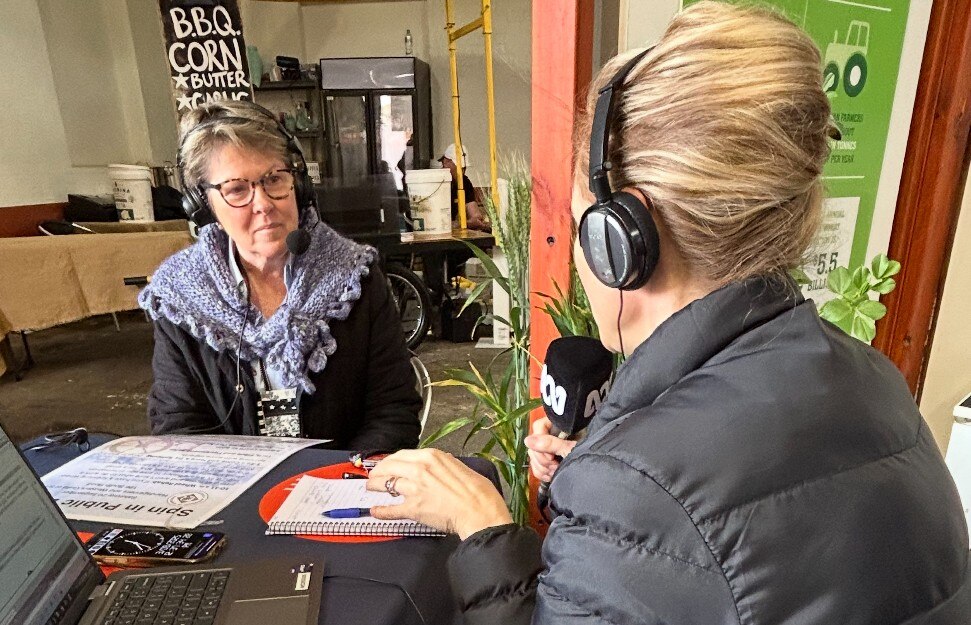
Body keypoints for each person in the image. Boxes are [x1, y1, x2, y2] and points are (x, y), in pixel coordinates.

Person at [363, 3, 971, 623]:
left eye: (579, 224)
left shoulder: (637, 491)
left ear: (622, 239)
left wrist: (483, 528)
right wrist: (607, 478)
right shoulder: (874, 378)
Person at [139, 100, 421, 450]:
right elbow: (178, 424)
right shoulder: (179, 296)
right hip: (233, 492)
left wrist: (335, 483)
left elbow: (393, 411)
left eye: (274, 179)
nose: (263, 203)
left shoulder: (355, 277)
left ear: (297, 184)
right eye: (237, 189)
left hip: (340, 489)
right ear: (203, 204)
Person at [423, 143, 491, 311]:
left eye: (465, 168)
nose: (464, 171)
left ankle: (458, 295)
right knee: (434, 255)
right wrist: (468, 224)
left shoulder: (464, 182)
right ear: (446, 163)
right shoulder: (434, 183)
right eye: (460, 167)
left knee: (470, 247)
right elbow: (436, 222)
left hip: (453, 234)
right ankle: (434, 303)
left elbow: (473, 211)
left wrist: (479, 221)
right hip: (432, 235)